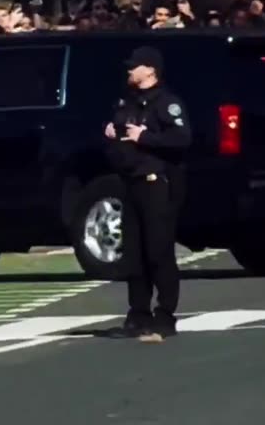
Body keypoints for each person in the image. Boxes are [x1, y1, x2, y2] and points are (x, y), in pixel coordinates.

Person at [104, 47, 192, 341]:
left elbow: (181, 138)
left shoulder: (166, 103)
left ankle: (165, 315)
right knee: (134, 252)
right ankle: (137, 315)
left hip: (156, 182)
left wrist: (146, 138)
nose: (129, 71)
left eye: (135, 67)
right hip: (130, 181)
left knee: (159, 250)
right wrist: (113, 134)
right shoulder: (127, 101)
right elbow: (121, 130)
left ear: (150, 70)